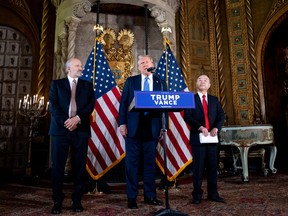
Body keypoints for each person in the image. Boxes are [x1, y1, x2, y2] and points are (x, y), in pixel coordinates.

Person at [118, 55, 166, 209]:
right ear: (138, 67)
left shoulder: (160, 82)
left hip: (152, 128)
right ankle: (131, 197)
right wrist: (122, 124)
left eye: (147, 62)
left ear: (153, 64)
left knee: (150, 164)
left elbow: (166, 106)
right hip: (133, 128)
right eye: (142, 63)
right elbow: (123, 103)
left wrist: (163, 127)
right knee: (132, 165)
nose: (145, 65)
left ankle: (150, 196)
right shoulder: (131, 81)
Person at [49, 58, 95, 214]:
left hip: (80, 130)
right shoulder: (56, 84)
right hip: (60, 131)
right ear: (68, 68)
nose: (80, 68)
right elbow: (54, 107)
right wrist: (67, 122)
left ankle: (77, 200)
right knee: (58, 167)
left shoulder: (87, 86)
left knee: (80, 167)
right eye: (77, 66)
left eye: (81, 66)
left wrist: (77, 119)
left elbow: (90, 105)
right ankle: (57, 201)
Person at [184, 74, 225, 204]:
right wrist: (200, 127)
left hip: (212, 138)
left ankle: (213, 194)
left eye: (205, 80)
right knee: (198, 168)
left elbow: (221, 115)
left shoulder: (214, 100)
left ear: (209, 85)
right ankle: (197, 195)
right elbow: (188, 117)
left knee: (213, 167)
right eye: (200, 80)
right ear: (196, 84)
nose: (202, 82)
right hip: (198, 138)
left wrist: (216, 128)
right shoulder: (191, 99)